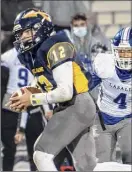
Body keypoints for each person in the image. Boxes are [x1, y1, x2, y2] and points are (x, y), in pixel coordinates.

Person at [7, 8, 96, 171]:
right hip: (77, 106)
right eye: (20, 34)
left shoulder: (55, 46)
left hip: (75, 104)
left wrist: (32, 99)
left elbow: (65, 92)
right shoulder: (38, 52)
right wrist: (29, 90)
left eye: (27, 32)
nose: (22, 37)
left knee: (41, 154)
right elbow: (42, 81)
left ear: (41, 28)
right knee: (87, 166)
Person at [89, 27, 132, 164]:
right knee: (103, 164)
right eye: (122, 52)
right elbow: (85, 88)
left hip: (128, 119)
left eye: (129, 53)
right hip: (103, 119)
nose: (125, 57)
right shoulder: (104, 64)